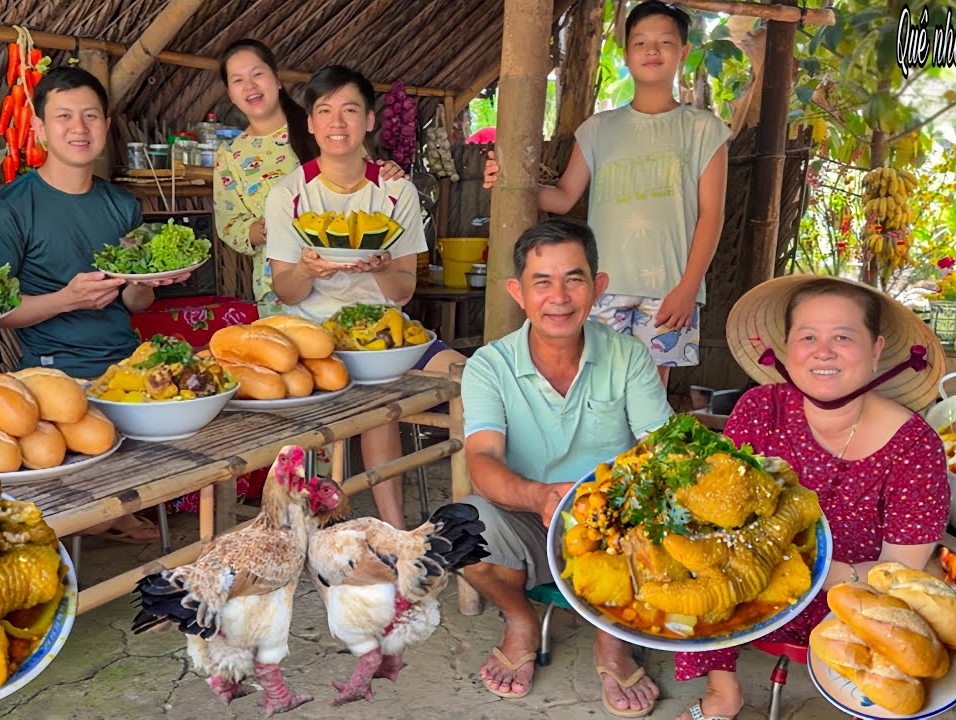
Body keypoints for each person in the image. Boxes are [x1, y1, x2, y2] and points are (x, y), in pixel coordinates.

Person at [672, 275, 950, 720]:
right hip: (753, 575)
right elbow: (721, 513)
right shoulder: (760, 409)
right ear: (788, 348)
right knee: (690, 557)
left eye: (843, 336)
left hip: (853, 592)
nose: (823, 351)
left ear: (876, 350)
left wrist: (808, 572)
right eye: (808, 337)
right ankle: (723, 692)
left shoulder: (915, 446)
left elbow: (897, 573)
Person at [460, 217, 670, 715]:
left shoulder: (629, 356)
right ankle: (520, 619)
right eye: (542, 282)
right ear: (517, 291)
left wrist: (614, 504)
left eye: (574, 279)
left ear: (597, 287)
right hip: (529, 514)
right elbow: (482, 460)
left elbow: (659, 449)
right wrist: (539, 496)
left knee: (663, 518)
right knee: (459, 530)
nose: (559, 296)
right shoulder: (489, 365)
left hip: (617, 522)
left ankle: (611, 639)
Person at [0, 66, 188, 543]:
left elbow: (134, 300)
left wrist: (152, 280)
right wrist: (66, 299)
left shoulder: (122, 205)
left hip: (125, 365)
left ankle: (115, 516)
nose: (79, 128)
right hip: (55, 374)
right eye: (65, 116)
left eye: (91, 116)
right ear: (41, 129)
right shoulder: (6, 207)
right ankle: (102, 520)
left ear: (106, 127)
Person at [484, 0, 729, 386]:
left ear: (683, 52)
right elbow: (563, 198)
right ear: (626, 53)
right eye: (640, 42)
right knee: (593, 387)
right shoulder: (598, 128)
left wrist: (687, 289)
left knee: (650, 394)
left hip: (668, 291)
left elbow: (712, 214)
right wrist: (508, 180)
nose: (652, 51)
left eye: (665, 42)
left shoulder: (704, 130)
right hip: (599, 287)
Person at [265, 64, 466, 529]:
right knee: (378, 404)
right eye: (325, 111)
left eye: (350, 110)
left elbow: (405, 288)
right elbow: (285, 291)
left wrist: (380, 271)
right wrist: (306, 270)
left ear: (369, 121)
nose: (338, 123)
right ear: (310, 123)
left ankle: (481, 509)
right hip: (316, 339)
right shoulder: (288, 196)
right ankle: (394, 528)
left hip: (387, 333)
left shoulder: (396, 191)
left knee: (475, 382)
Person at [215, 40, 405, 312]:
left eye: (258, 74)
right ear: (230, 93)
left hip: (345, 279)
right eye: (237, 80)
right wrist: (270, 227)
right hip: (278, 286)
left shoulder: (324, 125)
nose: (250, 86)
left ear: (277, 79)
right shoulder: (231, 155)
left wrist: (388, 173)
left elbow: (367, 187)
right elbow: (230, 225)